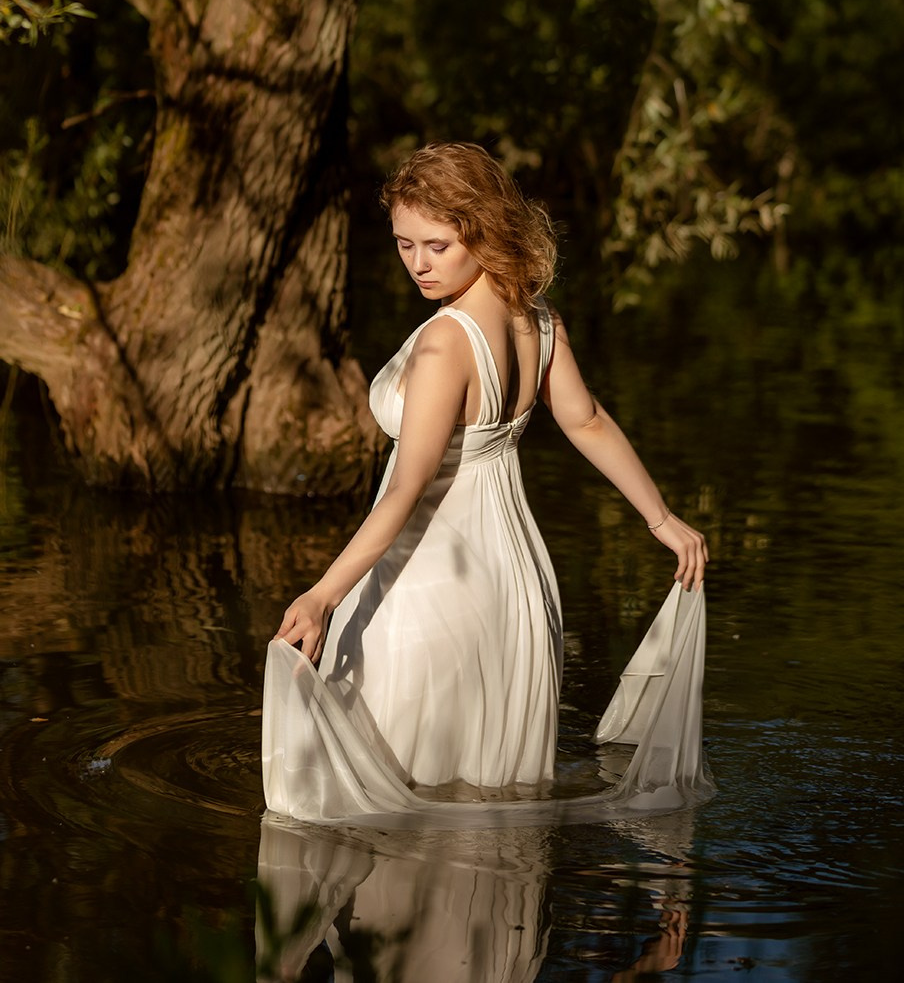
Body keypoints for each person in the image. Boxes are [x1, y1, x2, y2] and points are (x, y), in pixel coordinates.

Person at [263, 142, 710, 823]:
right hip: (518, 583)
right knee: (488, 802)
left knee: (396, 799)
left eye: (437, 245)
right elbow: (585, 422)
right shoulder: (539, 320)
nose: (417, 263)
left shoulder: (447, 341)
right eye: (404, 244)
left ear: (485, 228)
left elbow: (406, 490)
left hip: (429, 581)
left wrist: (324, 594)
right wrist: (660, 518)